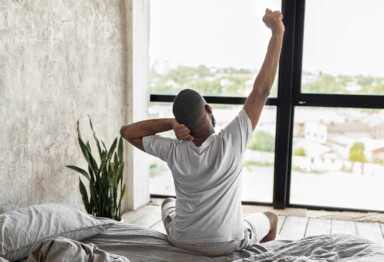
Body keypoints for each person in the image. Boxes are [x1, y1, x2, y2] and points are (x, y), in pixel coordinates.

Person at [120, 8, 284, 256]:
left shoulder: (172, 149)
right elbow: (261, 91)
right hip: (228, 241)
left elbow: (127, 132)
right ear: (208, 109)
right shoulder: (233, 139)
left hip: (183, 240)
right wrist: (277, 32)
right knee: (270, 217)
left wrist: (170, 124)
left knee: (167, 202)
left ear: (181, 121)